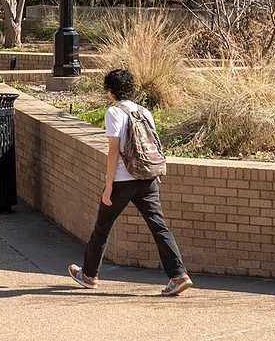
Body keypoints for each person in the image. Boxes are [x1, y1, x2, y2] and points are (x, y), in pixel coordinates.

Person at [68, 68, 193, 296]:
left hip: (123, 180)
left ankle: (89, 275)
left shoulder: (114, 112)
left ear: (110, 91)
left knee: (102, 227)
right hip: (147, 177)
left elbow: (114, 151)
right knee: (159, 226)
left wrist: (108, 184)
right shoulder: (145, 111)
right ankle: (178, 275)